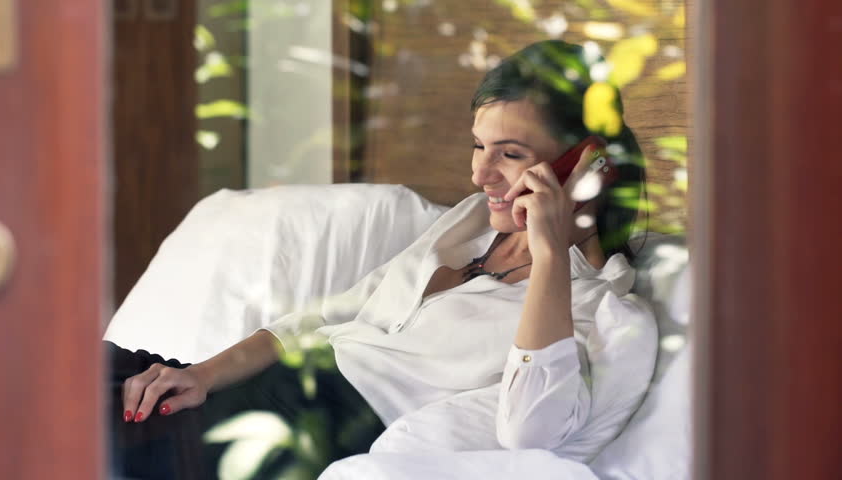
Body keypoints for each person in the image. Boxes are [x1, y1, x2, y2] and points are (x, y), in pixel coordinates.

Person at [108, 39, 653, 479]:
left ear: (588, 165)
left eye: (510, 154)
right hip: (254, 385)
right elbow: (321, 319)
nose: (480, 176)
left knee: (76, 436)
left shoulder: (602, 312)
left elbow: (530, 431)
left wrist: (550, 252)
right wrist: (200, 373)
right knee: (75, 367)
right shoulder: (467, 225)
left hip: (309, 431)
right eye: (478, 146)